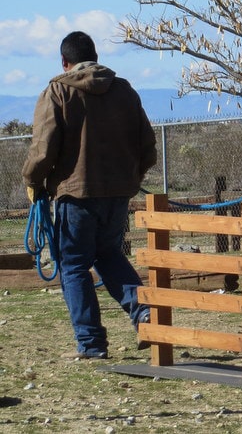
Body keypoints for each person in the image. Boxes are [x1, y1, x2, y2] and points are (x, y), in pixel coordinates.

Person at [22, 31, 157, 359]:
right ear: (95, 57)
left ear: (64, 62)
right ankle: (145, 315)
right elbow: (148, 147)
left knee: (73, 265)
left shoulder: (58, 91)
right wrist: (131, 178)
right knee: (109, 254)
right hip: (118, 194)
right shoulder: (124, 90)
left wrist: (33, 181)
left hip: (76, 194)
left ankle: (91, 344)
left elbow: (43, 149)